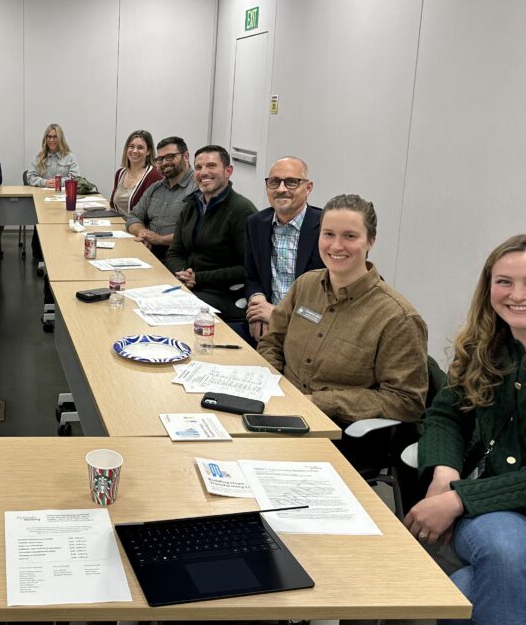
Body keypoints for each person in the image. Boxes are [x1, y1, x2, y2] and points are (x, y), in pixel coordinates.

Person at [405, 234, 526, 625]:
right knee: (506, 550)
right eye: (504, 282)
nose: (517, 294)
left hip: (497, 505)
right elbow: (445, 415)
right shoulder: (486, 348)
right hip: (495, 514)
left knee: (465, 590)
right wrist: (444, 472)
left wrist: (457, 500)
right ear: (488, 289)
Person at [257, 194, 427, 456]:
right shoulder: (306, 285)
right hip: (280, 410)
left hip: (339, 433)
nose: (336, 246)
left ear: (371, 240)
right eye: (328, 234)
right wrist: (275, 385)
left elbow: (406, 401)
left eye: (350, 236)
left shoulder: (397, 318)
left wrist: (320, 402)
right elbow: (272, 342)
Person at [165, 145, 256, 320]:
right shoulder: (191, 205)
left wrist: (198, 278)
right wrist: (184, 274)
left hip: (224, 293)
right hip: (190, 285)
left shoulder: (242, 211)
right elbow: (175, 251)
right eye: (198, 167)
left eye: (211, 166)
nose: (203, 172)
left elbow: (247, 269)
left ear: (228, 171)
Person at [244, 157, 324, 340]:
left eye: (291, 182)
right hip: (264, 324)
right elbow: (252, 277)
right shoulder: (255, 223)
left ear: (308, 188)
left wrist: (277, 315)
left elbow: (327, 300)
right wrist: (257, 301)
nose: (281, 189)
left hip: (310, 332)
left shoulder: (326, 229)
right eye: (274, 182)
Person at [125, 136, 197, 260]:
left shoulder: (198, 188)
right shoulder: (156, 187)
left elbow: (198, 233)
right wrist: (143, 233)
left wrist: (161, 240)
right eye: (160, 159)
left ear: (185, 156)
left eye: (170, 157)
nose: (164, 163)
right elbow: (133, 216)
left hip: (181, 258)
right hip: (149, 253)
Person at [109, 129, 162, 215]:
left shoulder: (154, 176)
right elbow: (112, 205)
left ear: (148, 151)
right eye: (131, 146)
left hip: (138, 227)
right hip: (117, 225)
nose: (134, 151)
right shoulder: (120, 173)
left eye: (140, 147)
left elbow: (152, 214)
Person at [27, 123, 80, 187]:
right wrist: (45, 182)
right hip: (42, 194)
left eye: (55, 137)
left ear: (60, 139)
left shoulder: (70, 157)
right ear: (46, 139)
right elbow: (30, 177)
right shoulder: (39, 157)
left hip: (63, 195)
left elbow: (75, 178)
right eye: (49, 137)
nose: (51, 140)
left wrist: (59, 182)